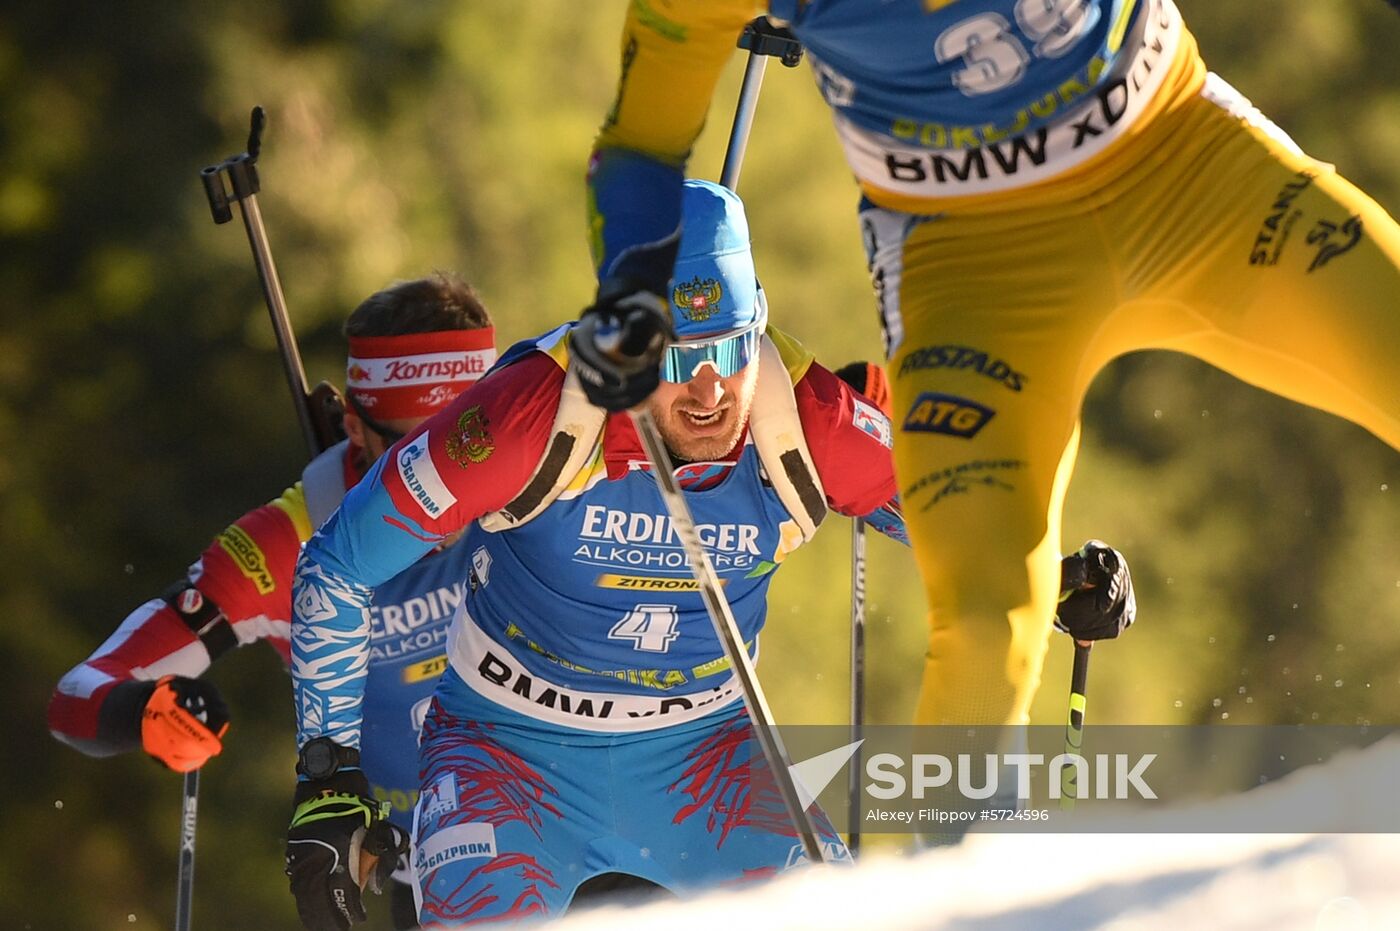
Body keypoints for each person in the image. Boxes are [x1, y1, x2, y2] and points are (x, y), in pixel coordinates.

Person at [283, 180, 1132, 930]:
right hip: (510, 754)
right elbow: (335, 565)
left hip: (705, 754)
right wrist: (327, 776)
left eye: (731, 347)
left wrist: (1061, 576)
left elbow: (965, 519)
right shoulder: (526, 416)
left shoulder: (803, 420)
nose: (712, 388)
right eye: (680, 358)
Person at [571, 1, 1400, 734]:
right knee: (981, 623)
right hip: (974, 263)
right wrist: (632, 292)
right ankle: (936, 899)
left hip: (1182, 160)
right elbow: (643, 143)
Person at [47, 273, 497, 931]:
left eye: (465, 443)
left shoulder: (540, 465)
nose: (444, 481)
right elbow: (76, 698)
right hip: (433, 878)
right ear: (354, 429)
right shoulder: (287, 542)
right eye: (408, 450)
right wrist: (146, 712)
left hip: (580, 822)